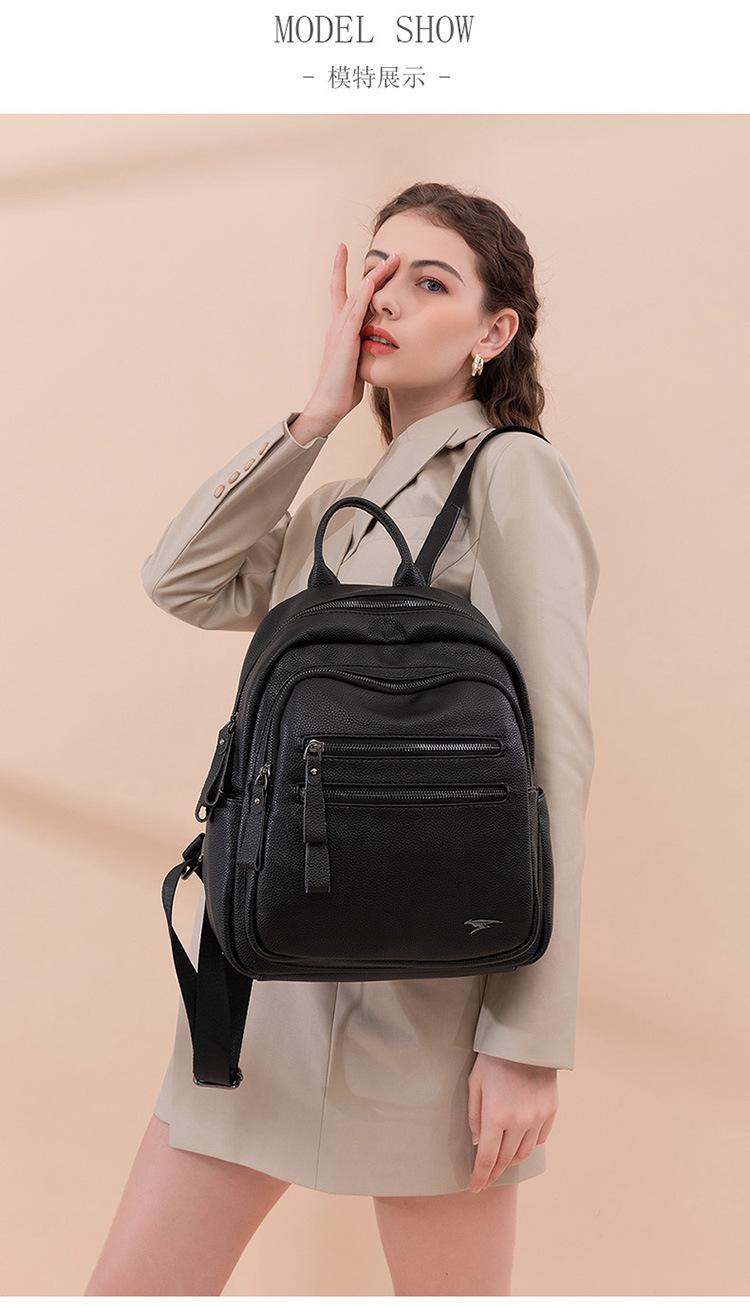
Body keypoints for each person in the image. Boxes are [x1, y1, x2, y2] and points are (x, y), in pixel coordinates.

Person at [85, 181, 599, 1296]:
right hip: (263, 981)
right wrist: (313, 415)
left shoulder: (512, 471)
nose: (389, 298)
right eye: (377, 271)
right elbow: (181, 580)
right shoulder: (332, 511)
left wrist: (525, 1039)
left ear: (494, 331)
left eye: (431, 281)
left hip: (430, 1002)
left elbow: (552, 758)